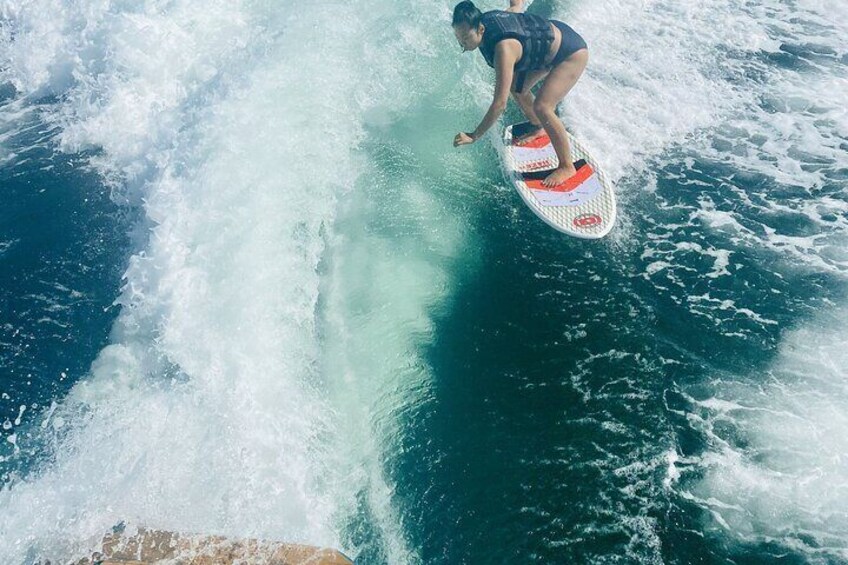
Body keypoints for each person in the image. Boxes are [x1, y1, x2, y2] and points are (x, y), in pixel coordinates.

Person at [452, 0, 588, 187]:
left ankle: (566, 166)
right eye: (459, 38)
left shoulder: (504, 49)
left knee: (543, 107)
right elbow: (515, 9)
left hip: (570, 53)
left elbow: (499, 103)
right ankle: (538, 126)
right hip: (550, 46)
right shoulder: (488, 22)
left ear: (480, 29)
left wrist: (474, 135)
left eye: (466, 38)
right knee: (517, 87)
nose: (462, 43)